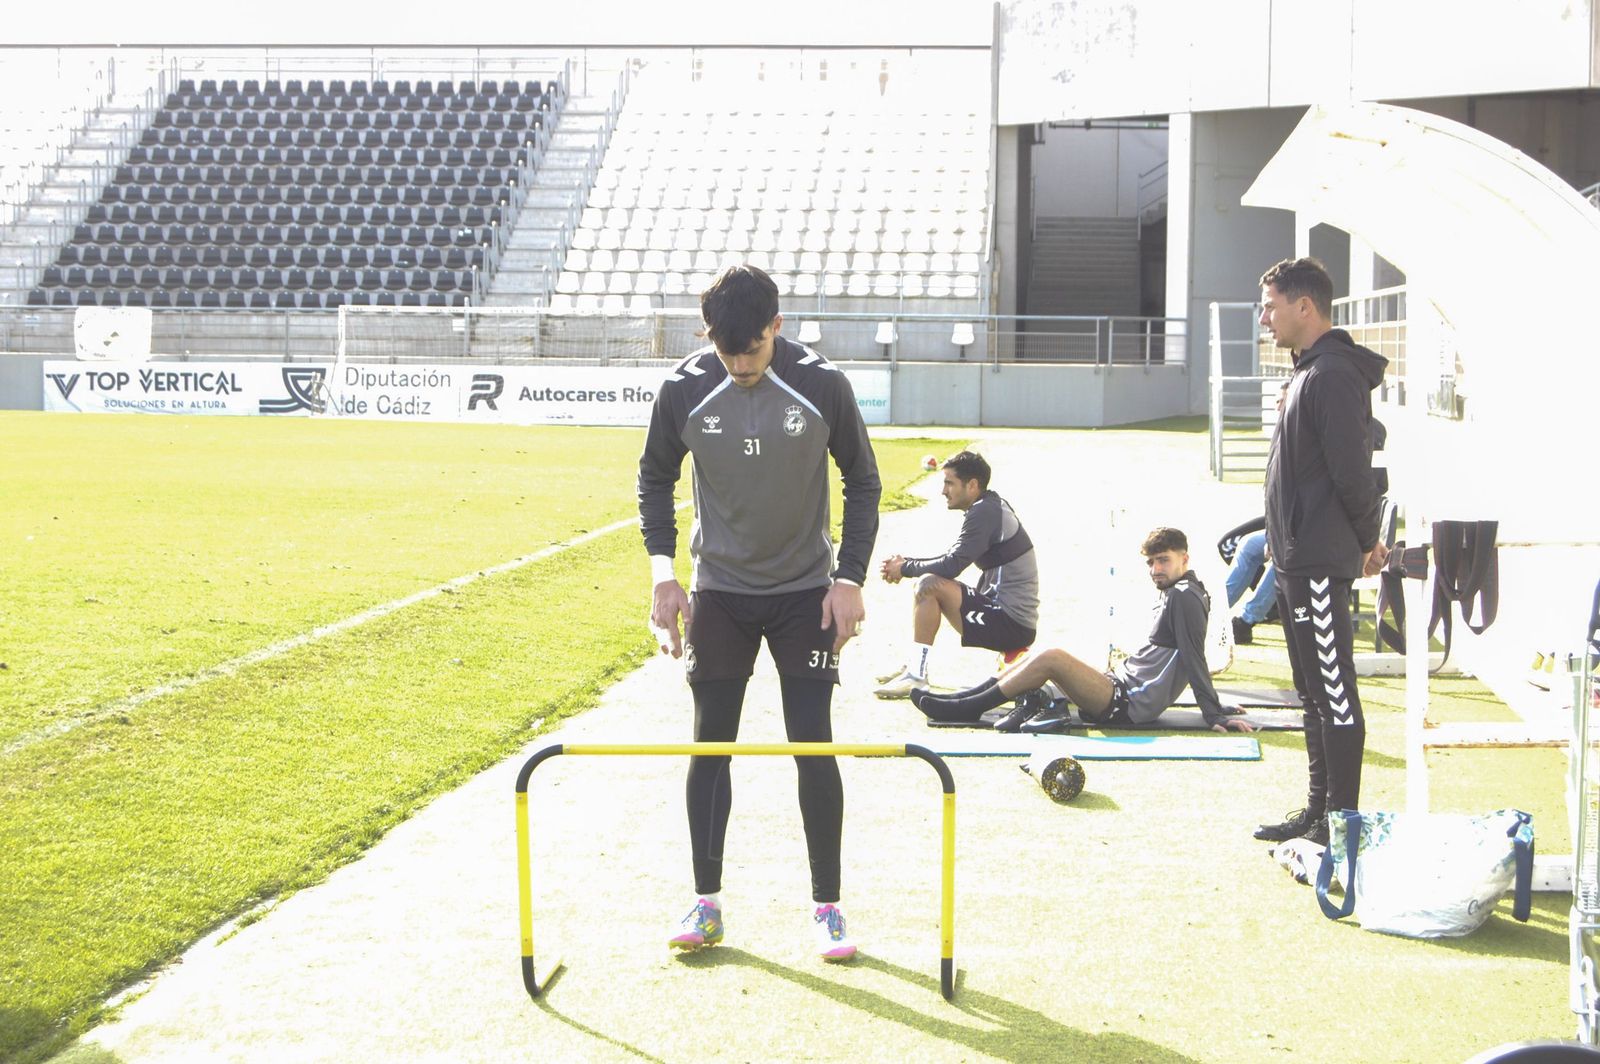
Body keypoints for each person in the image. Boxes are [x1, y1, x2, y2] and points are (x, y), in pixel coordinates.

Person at [638, 264, 882, 960]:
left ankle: (828, 907)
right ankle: (706, 903)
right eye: (726, 350)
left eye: (751, 348)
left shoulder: (821, 385)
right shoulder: (684, 388)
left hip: (806, 593)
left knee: (812, 739)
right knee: (710, 742)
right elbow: (654, 477)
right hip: (719, 592)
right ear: (706, 334)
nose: (740, 364)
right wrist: (665, 575)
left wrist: (849, 578)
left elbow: (862, 481)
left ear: (778, 326)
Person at [1252, 257, 1388, 847]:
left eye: (1272, 305)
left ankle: (1340, 825)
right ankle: (1316, 814)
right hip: (1293, 560)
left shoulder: (1332, 374)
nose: (1265, 318)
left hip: (1316, 561)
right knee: (1311, 693)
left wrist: (1367, 540)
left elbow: (1351, 472)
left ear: (1305, 306)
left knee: (1333, 692)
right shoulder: (1308, 372)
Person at [909, 527, 1256, 734]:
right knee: (1042, 655)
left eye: (1163, 560)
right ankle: (961, 700)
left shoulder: (1184, 597)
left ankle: (967, 707)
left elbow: (1194, 655)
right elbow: (1180, 658)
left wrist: (1213, 712)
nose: (1155, 569)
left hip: (1128, 703)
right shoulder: (1180, 592)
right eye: (1150, 562)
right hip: (1120, 686)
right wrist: (1218, 703)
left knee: (1051, 658)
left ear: (1185, 558)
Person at [873, 450, 1039, 698]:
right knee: (930, 583)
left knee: (929, 585)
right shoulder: (989, 506)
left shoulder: (985, 512)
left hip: (1011, 623)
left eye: (949, 483)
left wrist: (904, 566)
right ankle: (916, 665)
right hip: (1007, 616)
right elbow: (952, 559)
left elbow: (951, 565)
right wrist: (907, 563)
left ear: (972, 485)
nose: (943, 491)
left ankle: (917, 676)